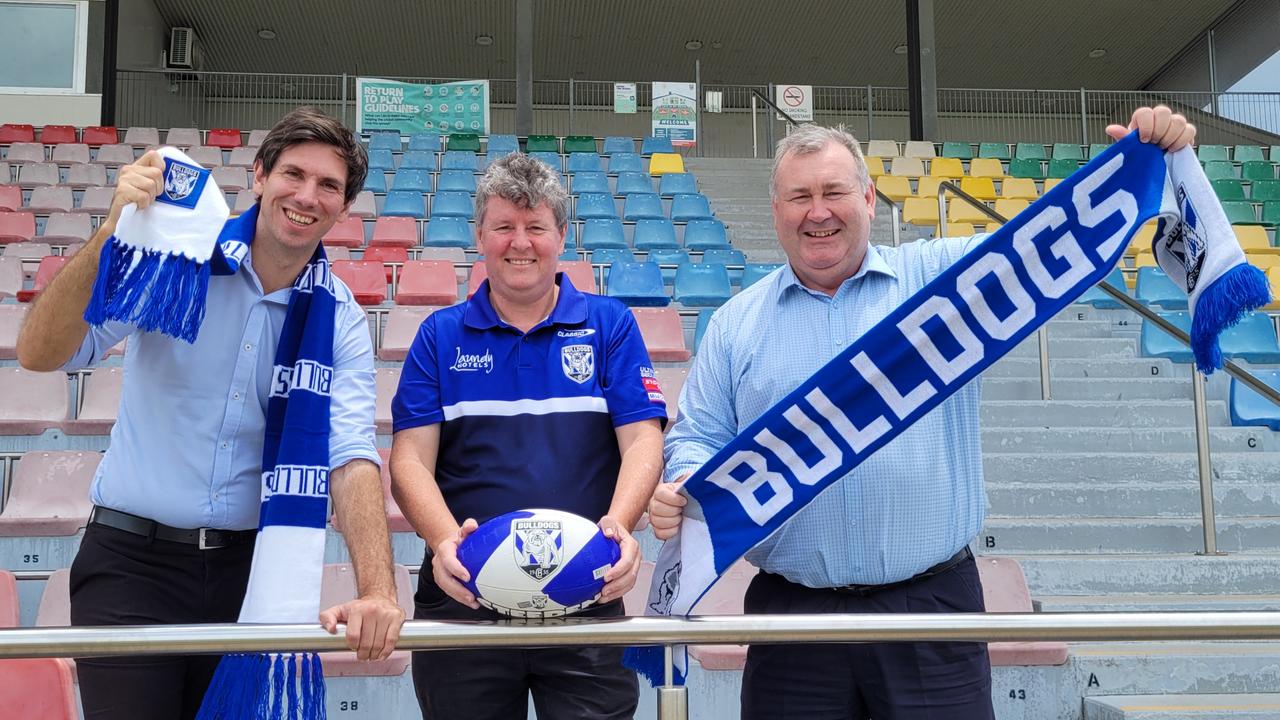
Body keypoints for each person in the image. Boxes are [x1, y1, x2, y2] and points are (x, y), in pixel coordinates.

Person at [647, 106, 1196, 720]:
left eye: (833, 191)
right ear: (776, 211)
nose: (817, 211)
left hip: (930, 611)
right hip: (791, 617)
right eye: (799, 196)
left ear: (869, 198)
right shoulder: (733, 324)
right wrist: (684, 485)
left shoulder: (942, 282)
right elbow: (698, 435)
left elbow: (1041, 248)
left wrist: (1131, 167)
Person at [16, 107, 405, 720]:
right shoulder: (175, 258)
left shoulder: (342, 320)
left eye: (328, 185)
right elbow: (40, 354)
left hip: (249, 574)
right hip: (131, 566)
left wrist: (379, 590)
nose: (307, 196)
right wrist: (112, 231)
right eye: (293, 174)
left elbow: (350, 455)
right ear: (258, 176)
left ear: (344, 206)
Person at [389, 152, 666, 720]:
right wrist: (444, 542)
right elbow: (409, 462)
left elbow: (642, 441)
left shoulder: (610, 325)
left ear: (560, 236)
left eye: (536, 227)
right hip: (464, 596)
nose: (521, 243)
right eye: (505, 227)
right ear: (480, 235)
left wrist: (620, 524)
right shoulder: (438, 336)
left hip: (585, 591)